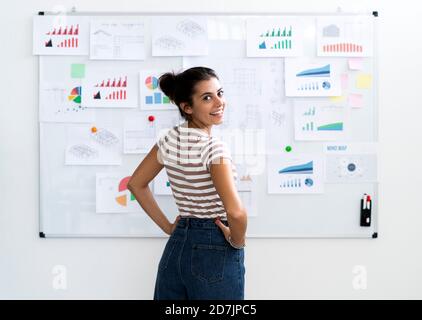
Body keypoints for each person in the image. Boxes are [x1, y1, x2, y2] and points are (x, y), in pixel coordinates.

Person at [127, 67, 247, 300]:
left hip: (178, 245)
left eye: (219, 93)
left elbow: (135, 184)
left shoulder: (169, 140)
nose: (219, 102)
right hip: (215, 245)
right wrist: (237, 241)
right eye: (207, 98)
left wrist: (168, 228)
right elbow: (237, 213)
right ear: (187, 107)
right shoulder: (214, 149)